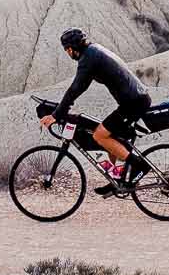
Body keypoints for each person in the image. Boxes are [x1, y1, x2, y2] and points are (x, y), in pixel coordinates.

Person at [41, 27, 152, 196]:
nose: (68, 53)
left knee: (99, 135)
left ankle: (140, 166)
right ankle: (116, 178)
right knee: (110, 136)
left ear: (72, 48)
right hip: (133, 100)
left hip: (133, 103)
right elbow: (79, 88)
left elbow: (76, 89)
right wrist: (62, 109)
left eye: (67, 49)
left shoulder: (88, 59)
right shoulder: (93, 51)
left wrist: (56, 115)